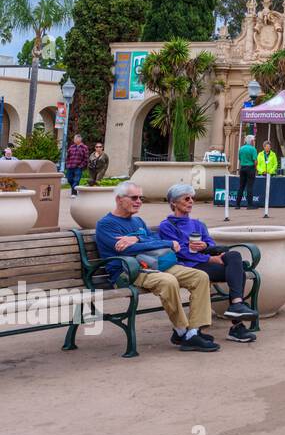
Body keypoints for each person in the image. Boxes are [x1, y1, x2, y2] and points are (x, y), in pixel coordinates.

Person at [94, 182, 219, 351]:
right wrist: (145, 241)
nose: (139, 201)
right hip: (128, 271)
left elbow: (153, 241)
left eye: (141, 198)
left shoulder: (138, 221)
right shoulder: (106, 224)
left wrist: (137, 238)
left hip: (153, 264)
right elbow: (129, 249)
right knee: (168, 281)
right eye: (134, 198)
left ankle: (194, 331)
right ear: (119, 199)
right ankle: (182, 331)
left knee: (200, 276)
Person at [157, 183, 258, 342]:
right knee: (239, 274)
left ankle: (236, 306)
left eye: (192, 198)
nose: (191, 201)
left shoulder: (198, 224)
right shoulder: (166, 226)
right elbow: (179, 251)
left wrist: (206, 246)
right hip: (190, 267)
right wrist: (209, 258)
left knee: (234, 257)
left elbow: (211, 244)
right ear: (174, 203)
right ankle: (237, 326)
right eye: (186, 198)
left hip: (205, 262)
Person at [234, 135, 257, 209]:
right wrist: (255, 167)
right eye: (254, 140)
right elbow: (255, 161)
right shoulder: (253, 149)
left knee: (241, 186)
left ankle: (237, 205)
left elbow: (240, 159)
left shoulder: (241, 148)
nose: (254, 142)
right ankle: (249, 205)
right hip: (250, 168)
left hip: (242, 168)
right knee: (249, 186)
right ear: (251, 141)